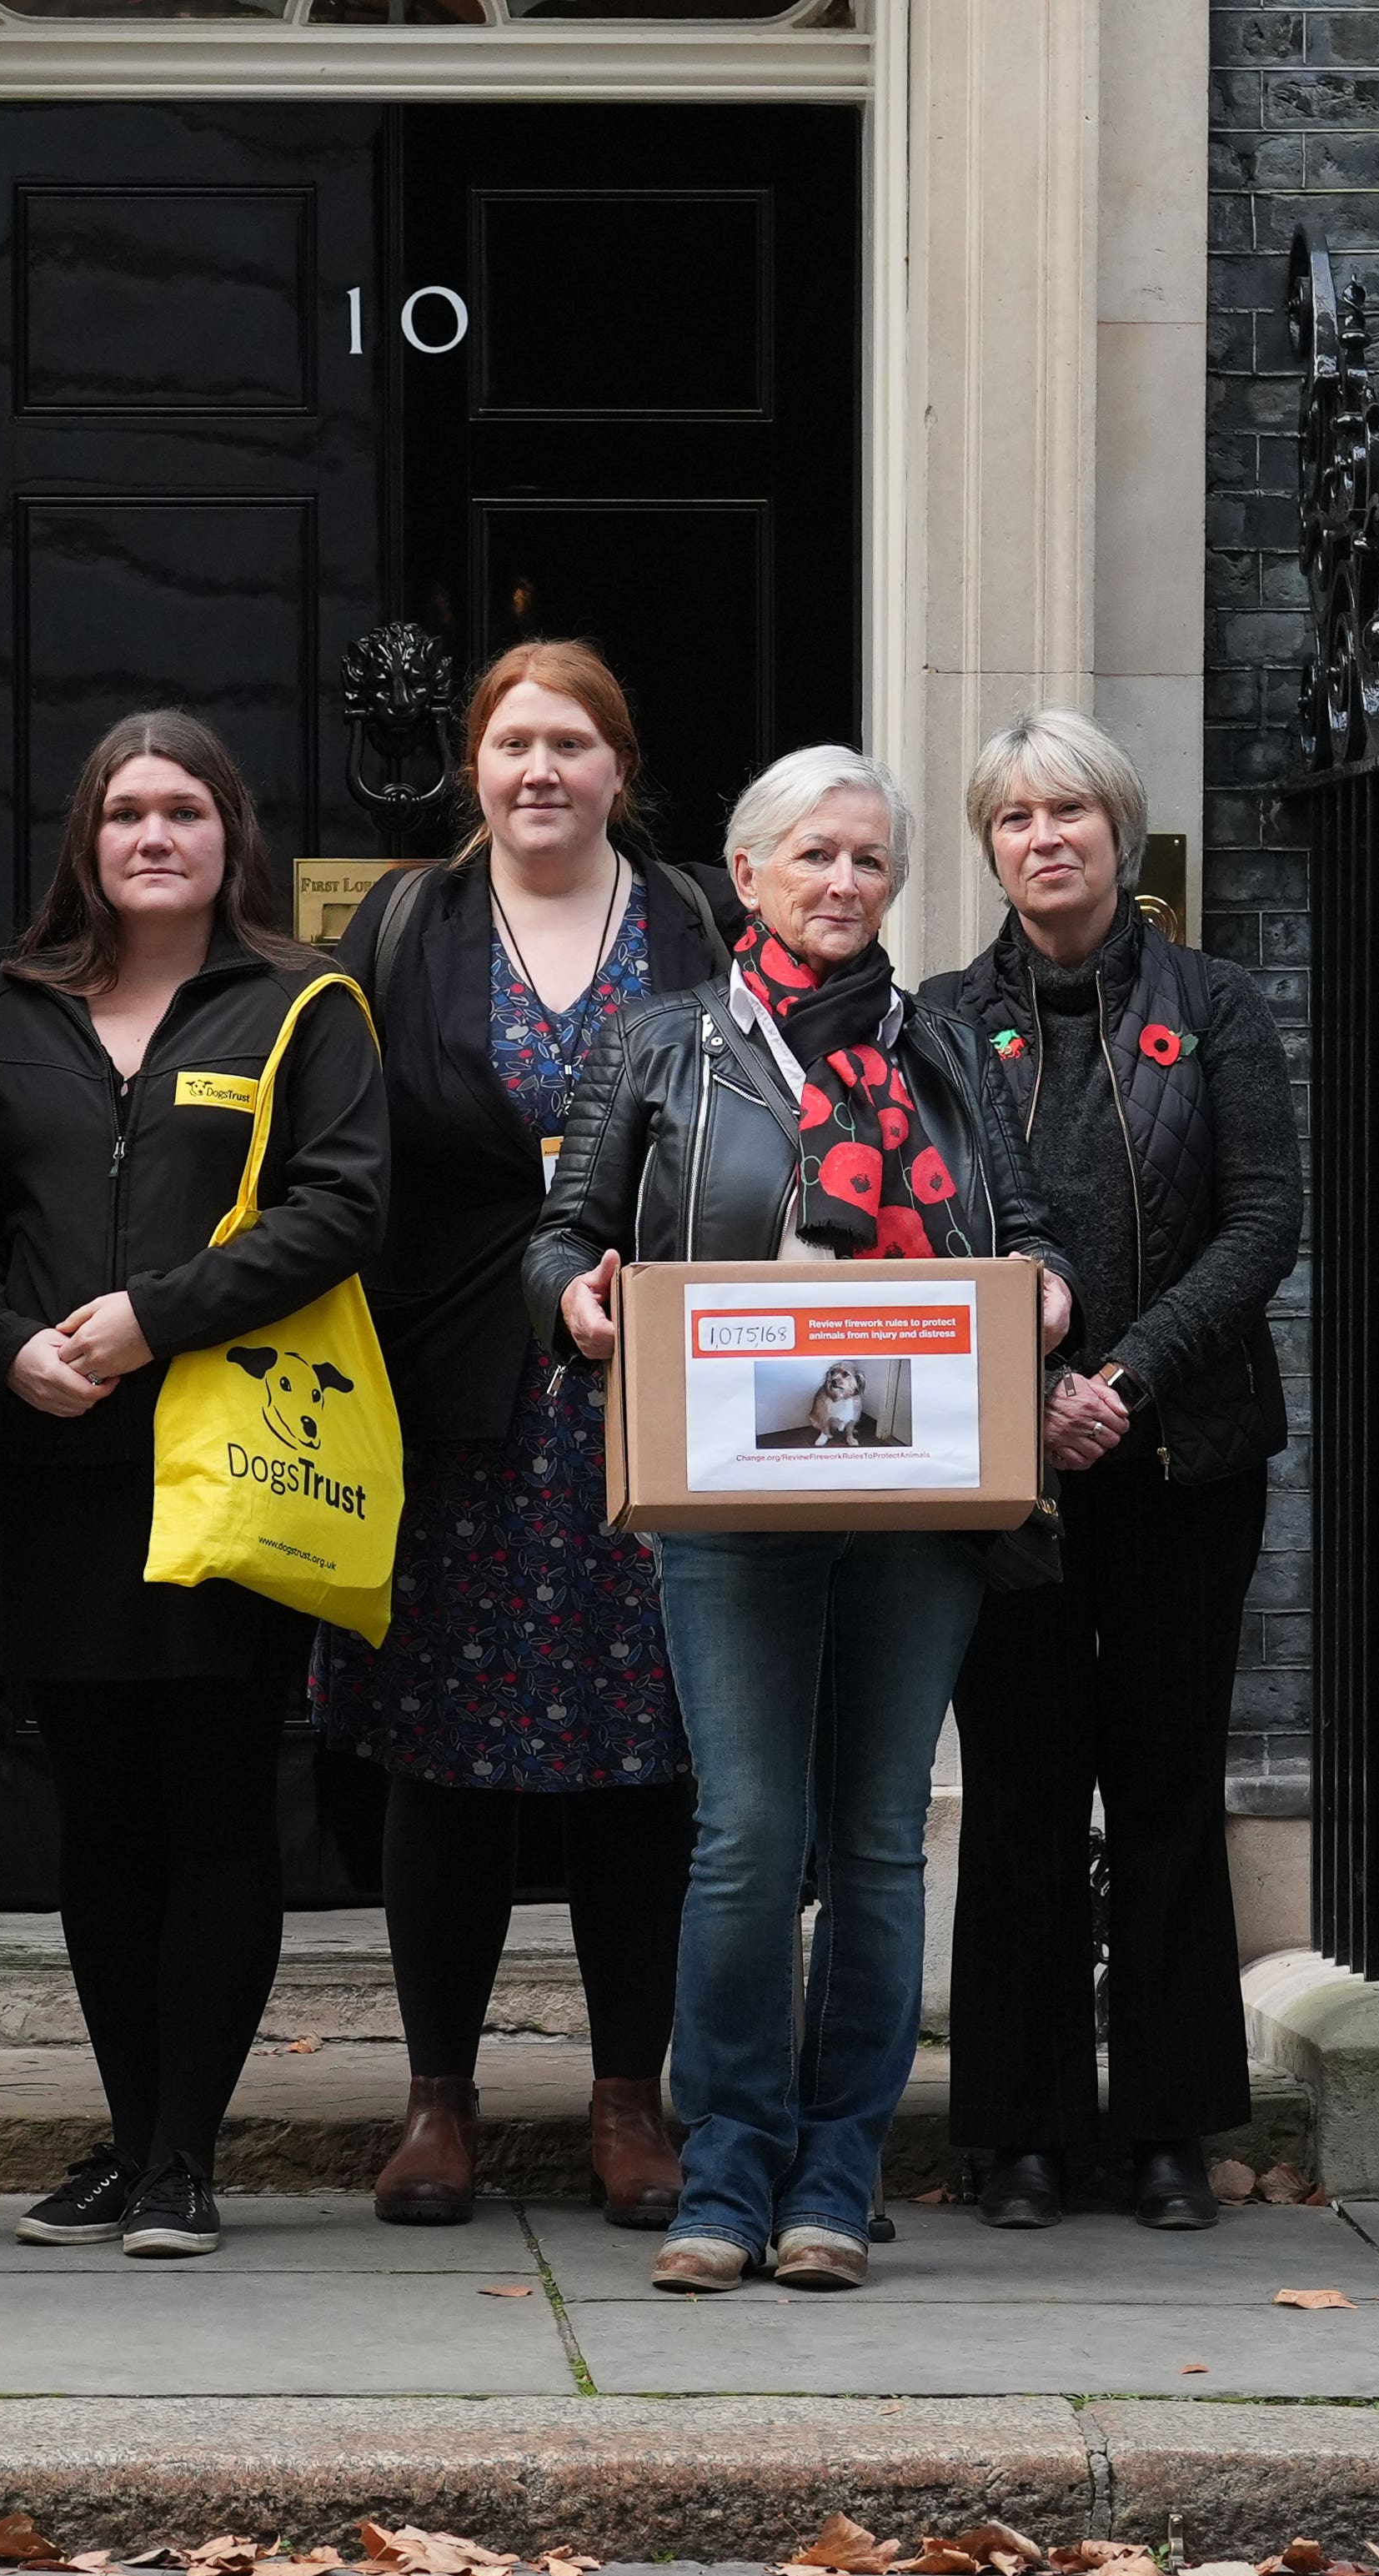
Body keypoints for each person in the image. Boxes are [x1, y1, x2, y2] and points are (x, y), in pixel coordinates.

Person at [524, 746, 1075, 2296]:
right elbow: (567, 1227)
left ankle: (840, 2175)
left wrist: (1049, 1293)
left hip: (921, 1495)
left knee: (882, 1840)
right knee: (749, 1836)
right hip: (729, 1492)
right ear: (748, 873)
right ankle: (727, 2175)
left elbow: (1024, 1233)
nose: (846, 887)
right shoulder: (664, 1045)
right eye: (816, 858)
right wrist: (572, 1294)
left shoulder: (953, 1044)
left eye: (872, 864)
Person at [0, 710, 391, 2260]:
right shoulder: (8, 1010)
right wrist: (4, 1348)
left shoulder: (303, 1004)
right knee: (99, 1820)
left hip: (232, 1469)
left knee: (215, 1804)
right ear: (88, 839)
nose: (154, 837)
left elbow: (339, 1207)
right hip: (57, 1469)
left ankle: (188, 2154)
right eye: (125, 812)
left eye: (184, 809)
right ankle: (128, 2146)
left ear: (229, 833)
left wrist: (149, 1317)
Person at [322, 642, 740, 2233]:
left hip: (660, 1399)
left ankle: (630, 2098)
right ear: (474, 769)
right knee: (448, 1764)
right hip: (458, 1399)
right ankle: (439, 2097)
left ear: (620, 769)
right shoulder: (407, 923)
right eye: (513, 745)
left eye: (572, 742)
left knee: (648, 1761)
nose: (540, 771)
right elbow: (351, 1151)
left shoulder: (698, 921)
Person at [923, 711, 1302, 2233]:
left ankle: (1165, 2124)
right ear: (990, 846)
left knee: (1161, 1783)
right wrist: (1033, 1396)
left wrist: (1127, 1382)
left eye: (1069, 809)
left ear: (1121, 831)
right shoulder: (941, 1018)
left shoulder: (1214, 1006)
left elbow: (1262, 1220)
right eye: (1013, 817)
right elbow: (932, 1234)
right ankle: (1015, 2128)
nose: (1043, 838)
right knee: (1017, 1786)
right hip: (1003, 1465)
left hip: (1185, 1453)